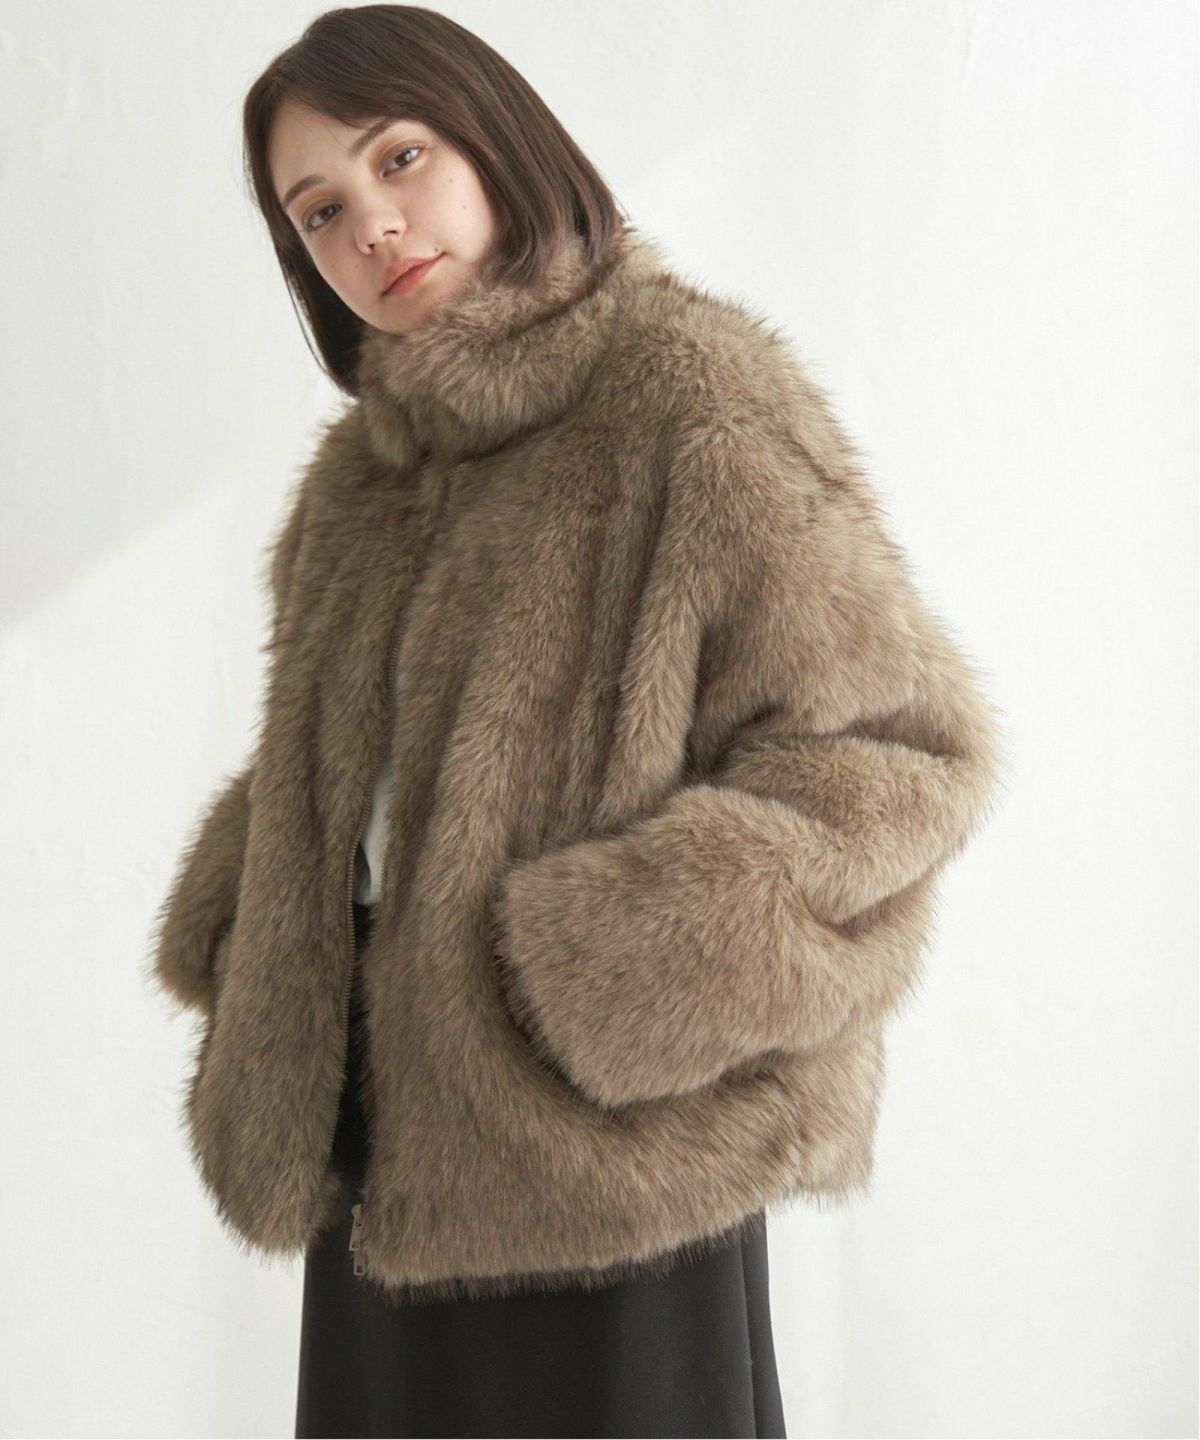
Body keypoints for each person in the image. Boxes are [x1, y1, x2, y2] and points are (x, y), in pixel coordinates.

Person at [147, 6, 1005, 1439]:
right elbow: (348, 777)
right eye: (320, 210)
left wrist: (601, 967)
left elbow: (902, 756)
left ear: (498, 138)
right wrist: (266, 929)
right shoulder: (357, 486)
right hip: (386, 1153)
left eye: (400, 157)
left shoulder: (690, 400)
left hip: (617, 1158)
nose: (372, 225)